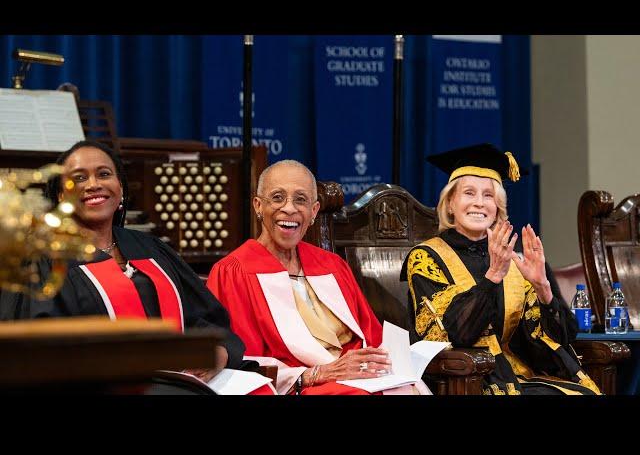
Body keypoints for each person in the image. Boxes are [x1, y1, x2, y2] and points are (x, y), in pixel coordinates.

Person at [0, 140, 245, 383]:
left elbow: (206, 321)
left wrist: (216, 352)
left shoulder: (151, 249)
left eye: (104, 174)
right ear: (61, 195)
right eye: (80, 178)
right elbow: (34, 353)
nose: (94, 185)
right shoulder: (42, 261)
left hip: (183, 383)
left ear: (121, 188)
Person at [207, 160, 429, 395]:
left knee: (407, 387)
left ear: (313, 211)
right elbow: (241, 362)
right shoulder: (233, 273)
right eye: (278, 197)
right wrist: (316, 374)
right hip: (299, 386)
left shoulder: (332, 266)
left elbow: (372, 336)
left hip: (361, 379)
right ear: (258, 206)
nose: (289, 208)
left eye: (300, 199)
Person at [401, 143, 600, 395]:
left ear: (498, 208)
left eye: (488, 195)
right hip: (465, 381)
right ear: (450, 204)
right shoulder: (427, 258)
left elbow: (562, 338)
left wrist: (543, 288)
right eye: (469, 193)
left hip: (520, 377)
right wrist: (493, 276)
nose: (479, 203)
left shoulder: (516, 261)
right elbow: (456, 335)